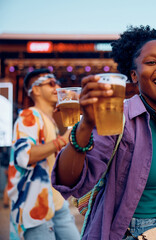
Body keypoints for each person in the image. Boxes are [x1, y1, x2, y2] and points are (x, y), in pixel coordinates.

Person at [51, 26, 156, 240]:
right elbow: (70, 181)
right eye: (152, 62)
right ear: (134, 76)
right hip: (122, 233)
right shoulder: (119, 118)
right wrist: (86, 125)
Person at [7, 68, 80, 239]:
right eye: (51, 83)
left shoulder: (50, 121)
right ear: (36, 89)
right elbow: (24, 156)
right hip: (36, 208)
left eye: (58, 83)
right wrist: (62, 140)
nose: (57, 86)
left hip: (56, 203)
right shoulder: (29, 115)